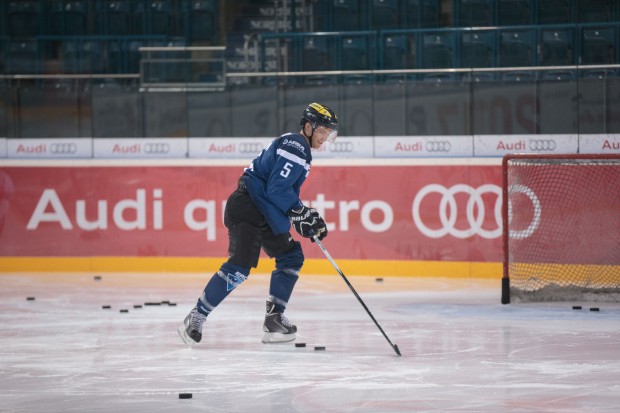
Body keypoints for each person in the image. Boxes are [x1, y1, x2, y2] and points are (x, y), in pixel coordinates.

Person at [178, 102, 338, 345]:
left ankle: (274, 320)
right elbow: (277, 188)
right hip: (249, 207)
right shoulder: (296, 145)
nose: (325, 137)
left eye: (328, 133)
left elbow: (278, 191)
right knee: (239, 267)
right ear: (308, 126)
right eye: (322, 131)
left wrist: (300, 215)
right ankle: (196, 316)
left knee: (291, 257)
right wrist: (299, 211)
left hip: (264, 210)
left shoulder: (298, 147)